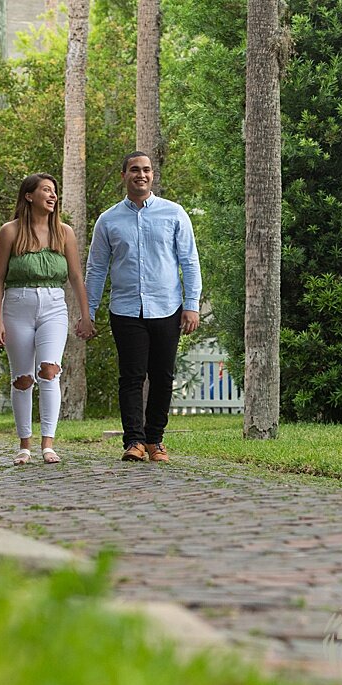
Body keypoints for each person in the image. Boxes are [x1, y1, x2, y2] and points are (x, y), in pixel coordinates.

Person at [84, 152, 201, 463]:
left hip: (167, 307)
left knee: (162, 376)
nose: (141, 175)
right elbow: (96, 268)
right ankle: (134, 441)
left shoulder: (174, 214)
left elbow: (189, 262)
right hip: (126, 309)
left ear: (153, 176)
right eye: (135, 169)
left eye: (147, 170)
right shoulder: (108, 220)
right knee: (131, 377)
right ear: (124, 175)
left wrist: (192, 305)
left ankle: (155, 440)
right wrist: (88, 312)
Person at [0, 173, 94, 465]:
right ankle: (24, 445)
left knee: (49, 371)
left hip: (53, 306)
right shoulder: (9, 232)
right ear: (28, 196)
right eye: (46, 190)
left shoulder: (64, 233)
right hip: (17, 305)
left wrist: (85, 316)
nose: (52, 196)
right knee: (23, 378)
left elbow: (75, 276)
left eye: (54, 191)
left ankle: (48, 444)